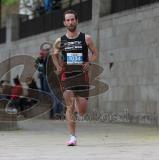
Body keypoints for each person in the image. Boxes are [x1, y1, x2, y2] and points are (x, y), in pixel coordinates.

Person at [52, 10, 98, 146]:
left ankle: (79, 108)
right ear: (64, 23)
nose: (70, 22)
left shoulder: (86, 38)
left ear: (76, 21)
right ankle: (72, 137)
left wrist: (89, 62)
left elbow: (95, 53)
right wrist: (58, 67)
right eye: (68, 20)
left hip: (82, 77)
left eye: (72, 19)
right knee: (69, 106)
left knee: (82, 111)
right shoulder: (60, 40)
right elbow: (54, 54)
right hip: (67, 77)